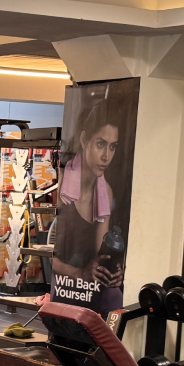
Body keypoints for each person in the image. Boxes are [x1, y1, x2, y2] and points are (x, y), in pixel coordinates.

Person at [52, 101, 125, 307]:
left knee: (114, 295)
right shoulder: (60, 182)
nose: (106, 156)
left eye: (112, 147)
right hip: (62, 279)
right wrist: (78, 273)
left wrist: (111, 269)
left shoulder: (105, 191)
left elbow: (99, 252)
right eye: (100, 144)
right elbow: (43, 251)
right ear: (84, 140)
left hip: (86, 281)